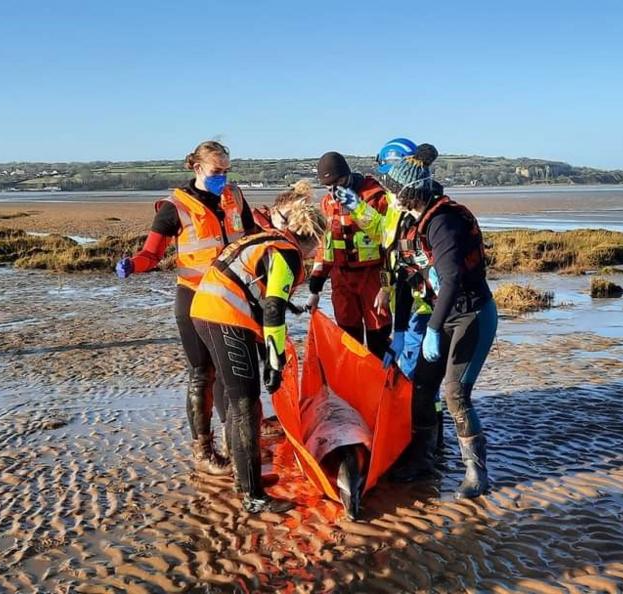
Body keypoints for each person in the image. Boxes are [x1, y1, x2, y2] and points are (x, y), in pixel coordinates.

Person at [335, 143, 496, 498]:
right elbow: (409, 280)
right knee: (422, 387)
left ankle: (476, 473)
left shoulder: (443, 221)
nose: (389, 196)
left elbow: (451, 278)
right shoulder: (409, 223)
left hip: (470, 315)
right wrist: (397, 332)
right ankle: (422, 459)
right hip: (438, 312)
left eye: (393, 190)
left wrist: (434, 330)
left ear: (407, 192)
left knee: (455, 393)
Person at [115, 141, 258, 476]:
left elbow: (251, 236)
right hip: (194, 299)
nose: (222, 177)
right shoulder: (174, 207)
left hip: (232, 299)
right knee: (202, 374)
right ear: (197, 168)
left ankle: (234, 440)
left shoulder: (235, 197)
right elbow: (152, 254)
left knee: (232, 372)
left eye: (226, 171)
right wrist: (132, 265)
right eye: (216, 171)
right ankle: (204, 452)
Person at [190, 197, 327, 514]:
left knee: (242, 402)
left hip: (207, 311)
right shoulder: (289, 254)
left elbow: (261, 289)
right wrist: (275, 360)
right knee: (246, 406)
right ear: (313, 240)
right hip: (224, 318)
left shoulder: (268, 239)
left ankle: (245, 480)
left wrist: (274, 338)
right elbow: (273, 308)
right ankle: (253, 496)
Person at [308, 152, 392, 357]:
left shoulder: (376, 197)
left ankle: (385, 384)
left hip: (372, 275)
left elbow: (390, 240)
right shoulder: (327, 203)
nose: (335, 190)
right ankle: (356, 385)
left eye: (339, 183)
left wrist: (388, 286)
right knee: (348, 339)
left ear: (348, 175)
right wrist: (315, 287)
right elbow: (325, 246)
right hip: (341, 278)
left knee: (378, 336)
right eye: (329, 186)